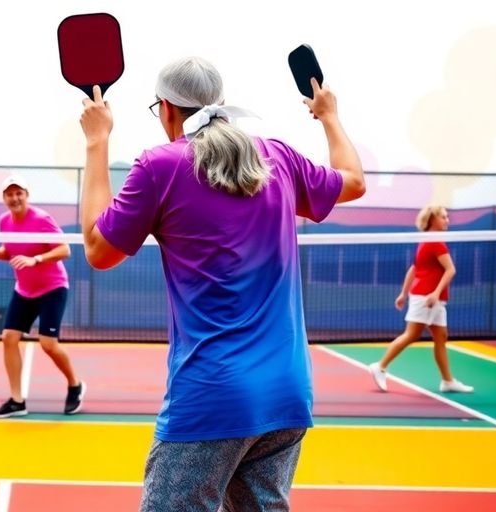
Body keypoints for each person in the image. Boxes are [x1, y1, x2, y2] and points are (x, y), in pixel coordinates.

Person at [78, 57, 365, 511]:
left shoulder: (160, 166)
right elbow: (352, 182)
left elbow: (98, 249)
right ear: (222, 105)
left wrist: (97, 142)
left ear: (167, 110)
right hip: (287, 393)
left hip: (212, 397)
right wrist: (329, 116)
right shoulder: (278, 155)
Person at [0, 175, 85, 419]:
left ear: (26, 195)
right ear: (4, 198)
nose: (14, 198)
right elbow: (10, 252)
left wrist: (35, 259)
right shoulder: (5, 221)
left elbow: (64, 249)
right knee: (9, 338)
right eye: (9, 194)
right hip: (24, 289)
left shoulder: (41, 219)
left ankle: (75, 385)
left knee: (48, 344)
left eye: (19, 193)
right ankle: (17, 401)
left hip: (52, 287)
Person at [367, 206, 473, 393]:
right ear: (432, 220)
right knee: (412, 334)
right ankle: (380, 366)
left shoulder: (427, 240)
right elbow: (451, 270)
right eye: (443, 217)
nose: (447, 220)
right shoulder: (435, 243)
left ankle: (447, 381)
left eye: (447, 217)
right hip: (427, 297)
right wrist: (434, 293)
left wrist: (404, 293)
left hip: (430, 297)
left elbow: (414, 268)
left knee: (441, 336)